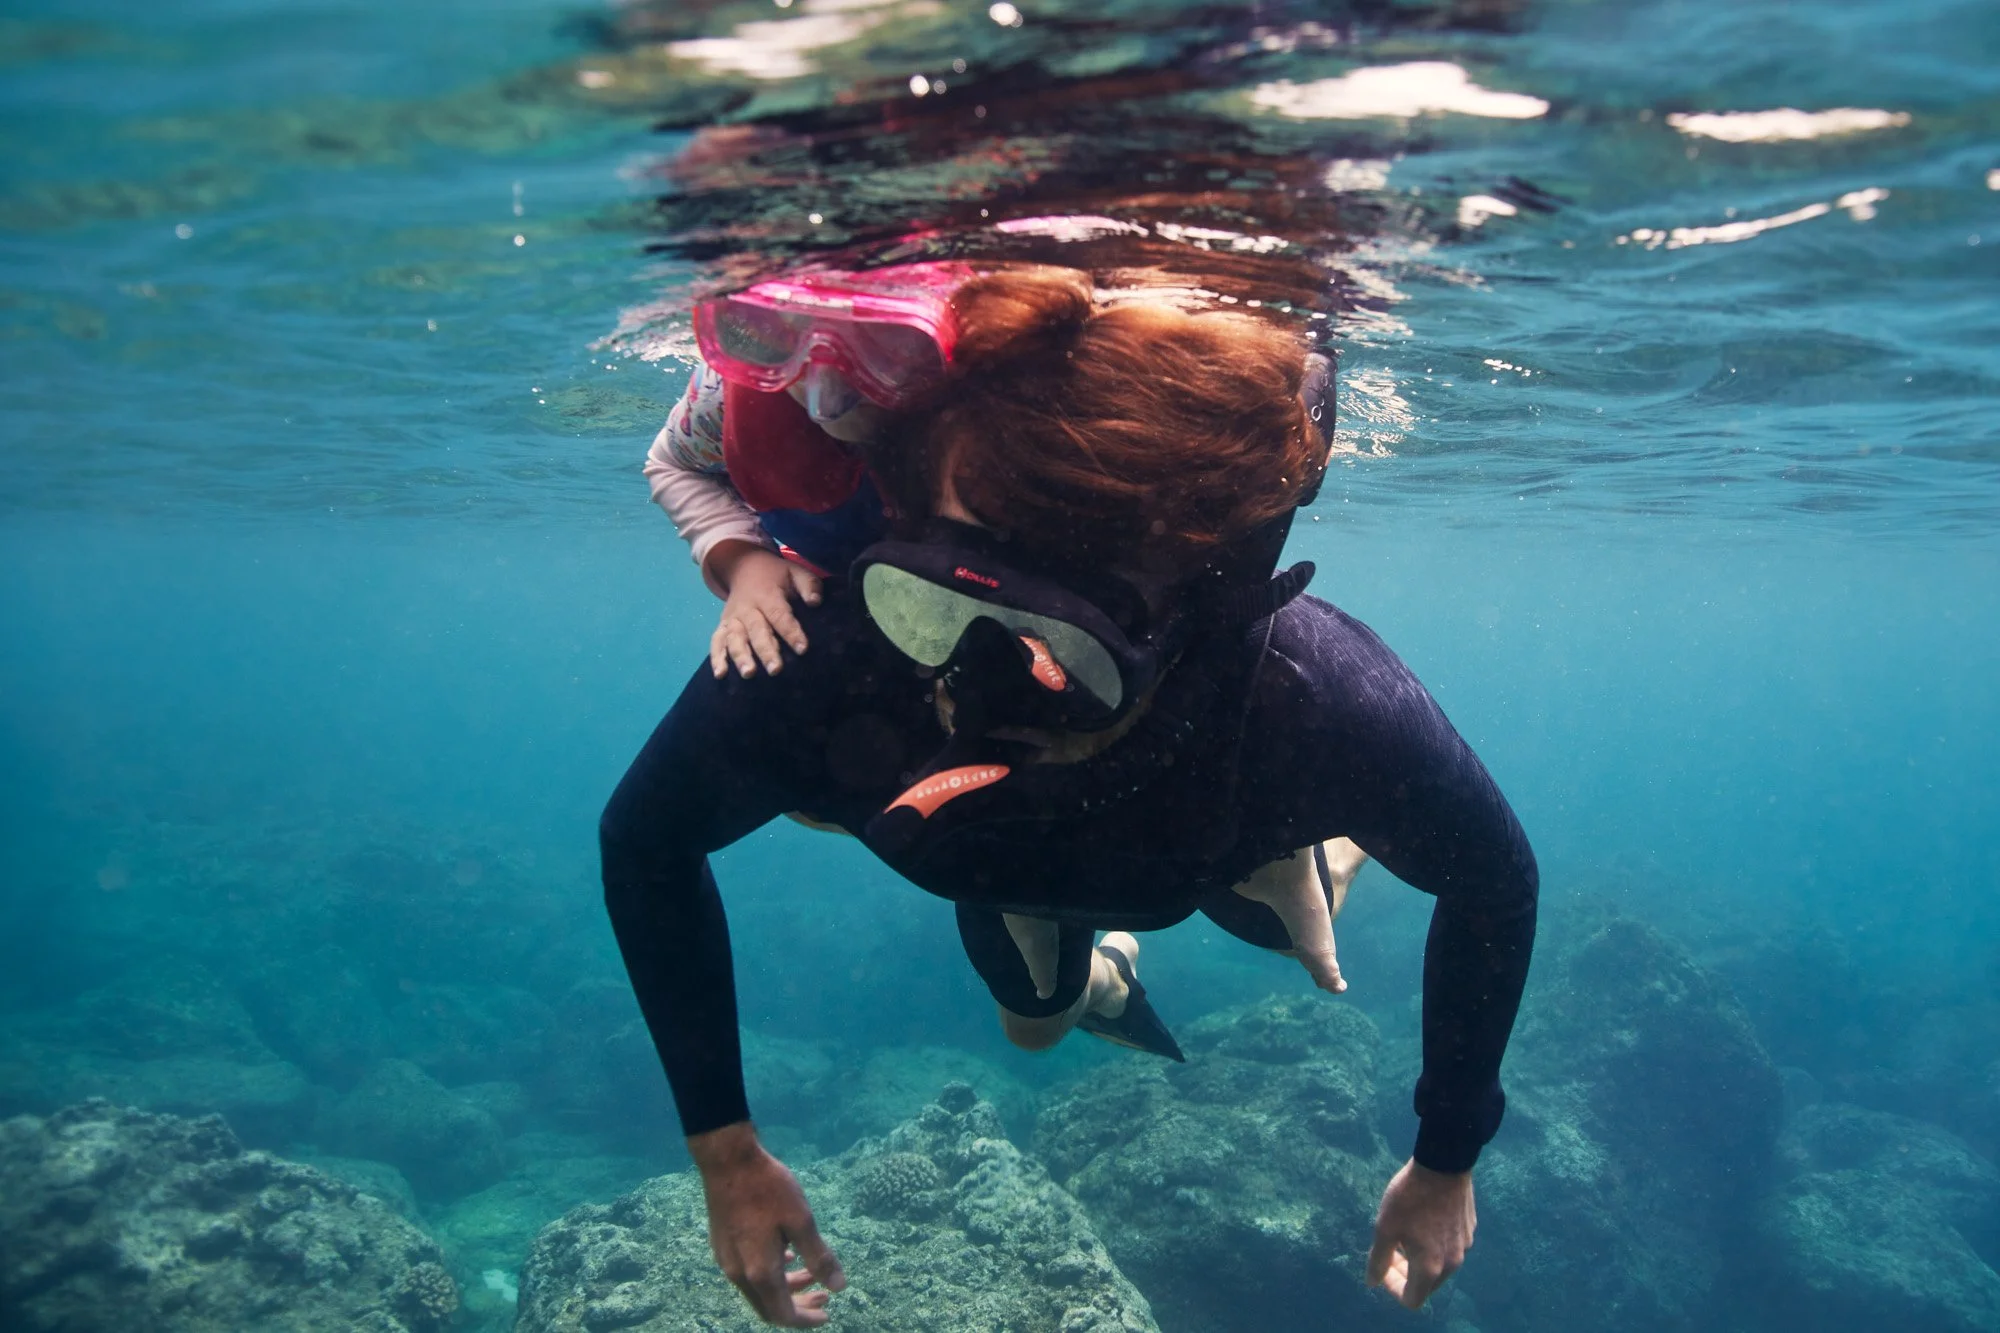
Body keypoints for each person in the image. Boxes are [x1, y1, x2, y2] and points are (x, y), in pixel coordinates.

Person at [602, 267, 1537, 1327]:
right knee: (1038, 1029)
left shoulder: (1303, 698)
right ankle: (1175, 932)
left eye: (1052, 646)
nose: (973, 690)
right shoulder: (828, 648)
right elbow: (643, 842)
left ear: (1195, 608)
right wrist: (724, 1152)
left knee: (1277, 919)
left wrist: (1446, 1156)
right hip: (1022, 871)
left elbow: (1494, 882)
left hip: (1204, 828)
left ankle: (1305, 853)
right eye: (935, 601)